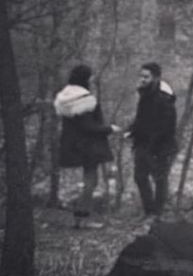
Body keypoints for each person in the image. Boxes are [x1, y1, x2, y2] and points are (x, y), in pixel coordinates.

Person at [54, 64, 121, 228]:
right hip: (87, 146)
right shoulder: (84, 99)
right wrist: (110, 128)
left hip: (72, 145)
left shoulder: (65, 97)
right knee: (90, 181)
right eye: (90, 76)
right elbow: (88, 127)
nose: (92, 79)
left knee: (86, 182)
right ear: (85, 78)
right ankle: (82, 220)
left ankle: (81, 219)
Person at [127, 62, 177, 217]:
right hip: (143, 143)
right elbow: (142, 119)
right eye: (141, 76)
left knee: (160, 179)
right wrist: (132, 131)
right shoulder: (145, 94)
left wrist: (155, 144)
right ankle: (150, 211)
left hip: (159, 146)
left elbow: (168, 125)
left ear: (155, 78)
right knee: (140, 177)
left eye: (146, 77)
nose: (142, 79)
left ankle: (157, 214)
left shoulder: (164, 97)